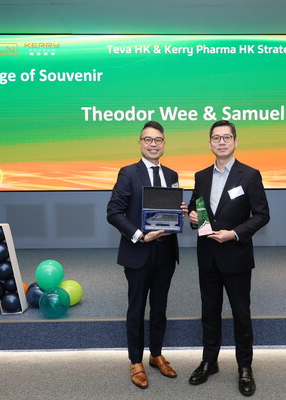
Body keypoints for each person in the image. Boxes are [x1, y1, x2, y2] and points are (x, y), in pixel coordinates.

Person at [187, 120, 270, 396]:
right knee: (209, 313)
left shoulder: (250, 175)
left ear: (235, 141)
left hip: (236, 256)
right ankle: (209, 362)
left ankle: (245, 367)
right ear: (209, 143)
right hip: (208, 256)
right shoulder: (201, 176)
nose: (221, 142)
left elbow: (262, 215)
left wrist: (234, 233)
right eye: (216, 138)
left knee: (241, 314)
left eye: (226, 137)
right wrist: (192, 217)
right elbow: (196, 209)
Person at [107, 121, 185, 390]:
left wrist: (180, 212)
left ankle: (156, 354)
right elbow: (113, 212)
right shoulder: (128, 173)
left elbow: (170, 210)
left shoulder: (172, 174)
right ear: (140, 143)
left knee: (160, 308)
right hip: (138, 252)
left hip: (166, 252)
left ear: (164, 143)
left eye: (158, 140)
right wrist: (140, 235)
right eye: (148, 139)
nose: (153, 144)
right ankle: (135, 361)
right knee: (137, 308)